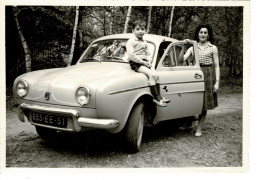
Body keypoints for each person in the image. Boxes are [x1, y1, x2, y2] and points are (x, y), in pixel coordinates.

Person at [182, 24, 220, 136]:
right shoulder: (192, 47)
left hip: (208, 74)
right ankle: (188, 122)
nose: (203, 34)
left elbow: (217, 66)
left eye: (205, 32)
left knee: (204, 103)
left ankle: (199, 127)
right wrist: (184, 46)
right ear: (197, 34)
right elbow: (181, 59)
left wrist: (217, 82)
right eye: (201, 32)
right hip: (194, 74)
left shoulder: (213, 48)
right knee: (192, 98)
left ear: (208, 35)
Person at [126, 19, 170, 107]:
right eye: (138, 29)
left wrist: (149, 61)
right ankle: (156, 98)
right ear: (133, 31)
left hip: (145, 62)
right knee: (151, 74)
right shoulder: (131, 41)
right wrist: (143, 62)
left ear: (145, 30)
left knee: (156, 75)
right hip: (136, 63)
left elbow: (148, 53)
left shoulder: (145, 42)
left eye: (142, 29)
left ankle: (160, 97)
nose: (140, 31)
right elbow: (132, 55)